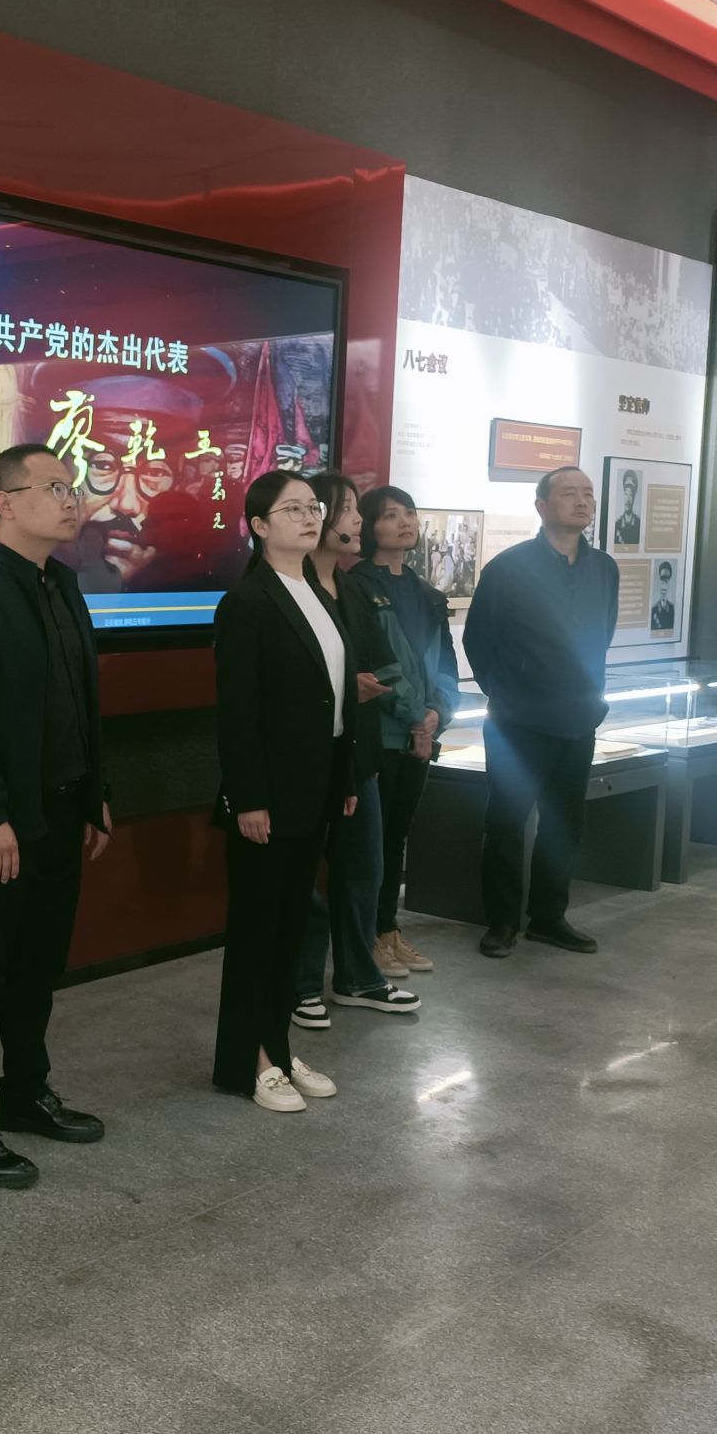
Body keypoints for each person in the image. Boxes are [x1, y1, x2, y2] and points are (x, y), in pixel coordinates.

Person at [0, 444, 112, 1190]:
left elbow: (81, 703)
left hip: (62, 809)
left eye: (72, 488)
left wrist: (96, 793)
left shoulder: (61, 583)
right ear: (7, 503)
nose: (72, 500)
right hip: (0, 825)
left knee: (38, 966)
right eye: (54, 488)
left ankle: (26, 1093)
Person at [211, 471, 353, 1110]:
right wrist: (249, 798)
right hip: (267, 795)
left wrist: (344, 779)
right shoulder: (247, 602)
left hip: (315, 786)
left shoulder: (318, 593)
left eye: (313, 507)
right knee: (256, 933)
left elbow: (335, 700)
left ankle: (277, 1044)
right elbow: (237, 713)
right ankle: (250, 1060)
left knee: (291, 928)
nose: (309, 517)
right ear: (259, 526)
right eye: (292, 509)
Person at [462, 464, 619, 959]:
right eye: (569, 493)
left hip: (579, 719)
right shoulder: (509, 568)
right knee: (507, 822)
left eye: (588, 493)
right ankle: (502, 922)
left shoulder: (604, 568)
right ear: (542, 506)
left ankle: (549, 918)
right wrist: (507, 694)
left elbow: (604, 633)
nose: (582, 501)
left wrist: (589, 694)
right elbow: (478, 640)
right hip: (518, 722)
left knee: (564, 823)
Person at [290, 473, 419, 1026]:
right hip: (308, 757)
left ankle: (358, 976)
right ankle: (299, 984)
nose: (356, 521)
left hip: (358, 752)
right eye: (346, 510)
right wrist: (346, 684)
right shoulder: (287, 588)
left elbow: (380, 660)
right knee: (301, 878)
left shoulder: (353, 588)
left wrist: (413, 708)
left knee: (364, 868)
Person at [349, 485, 461, 978]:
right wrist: (417, 717)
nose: (404, 522)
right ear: (369, 526)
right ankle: (366, 938)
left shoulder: (428, 593)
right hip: (382, 735)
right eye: (390, 515)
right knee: (369, 845)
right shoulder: (356, 586)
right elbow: (378, 666)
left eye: (409, 513)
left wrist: (438, 713)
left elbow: (446, 664)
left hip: (421, 733)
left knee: (396, 838)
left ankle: (387, 930)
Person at [651, 561, 677, 633]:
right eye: (662, 579)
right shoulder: (653, 610)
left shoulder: (673, 609)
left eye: (667, 579)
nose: (664, 584)